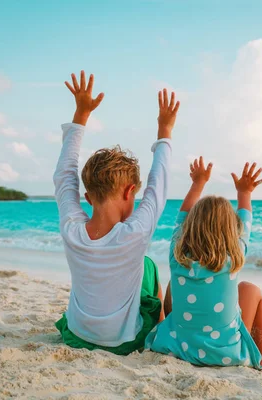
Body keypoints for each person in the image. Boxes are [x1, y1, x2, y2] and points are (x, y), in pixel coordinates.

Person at [53, 70, 180, 355]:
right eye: (135, 195)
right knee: (146, 265)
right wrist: (165, 129)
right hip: (123, 343)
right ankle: (160, 329)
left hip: (77, 336)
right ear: (129, 192)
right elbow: (159, 185)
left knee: (142, 264)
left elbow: (64, 177)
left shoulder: (72, 230)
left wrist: (81, 115)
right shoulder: (133, 235)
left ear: (86, 197)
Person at [145, 157, 262, 367]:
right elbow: (246, 220)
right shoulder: (235, 255)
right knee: (250, 289)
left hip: (181, 347)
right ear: (232, 230)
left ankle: (177, 331)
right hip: (226, 352)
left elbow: (181, 216)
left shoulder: (177, 257)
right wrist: (244, 193)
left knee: (174, 286)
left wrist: (197, 183)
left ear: (189, 227)